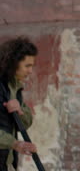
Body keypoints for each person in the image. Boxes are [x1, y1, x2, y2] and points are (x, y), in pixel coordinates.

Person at [0, 37, 38, 171]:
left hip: (7, 160)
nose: (30, 71)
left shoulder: (14, 86)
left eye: (32, 66)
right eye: (27, 66)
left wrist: (20, 110)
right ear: (13, 63)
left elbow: (27, 122)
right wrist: (14, 143)